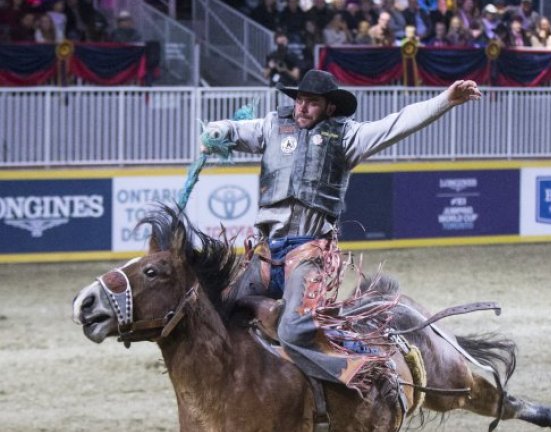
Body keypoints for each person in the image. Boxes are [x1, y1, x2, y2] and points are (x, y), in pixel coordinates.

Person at [199, 69, 481, 390]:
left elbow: (398, 123)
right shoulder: (272, 126)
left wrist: (446, 100)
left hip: (309, 256)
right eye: (300, 100)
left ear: (330, 107)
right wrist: (215, 132)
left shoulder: (348, 137)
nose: (302, 108)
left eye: (312, 103)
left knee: (293, 332)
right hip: (267, 253)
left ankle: (354, 370)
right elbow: (233, 130)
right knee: (217, 310)